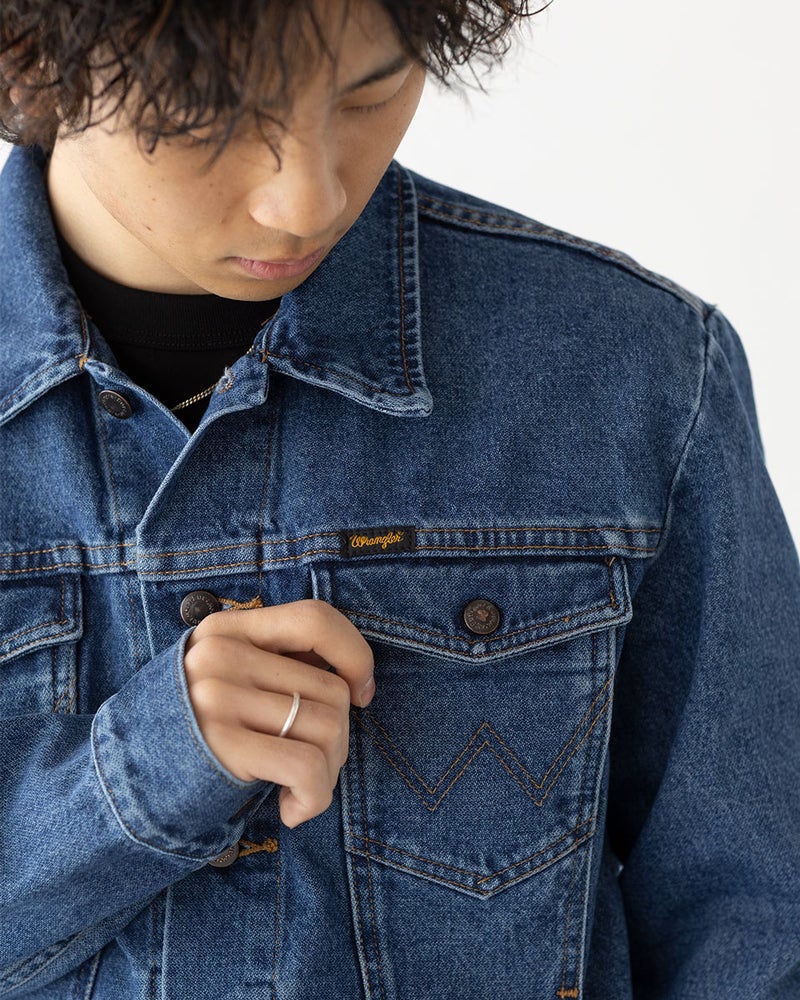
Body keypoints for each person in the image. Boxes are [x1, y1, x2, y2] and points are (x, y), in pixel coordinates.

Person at [0, 1, 798, 997]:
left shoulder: (639, 373)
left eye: (370, 93)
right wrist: (141, 775)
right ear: (29, 63)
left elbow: (758, 928)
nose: (306, 199)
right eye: (208, 117)